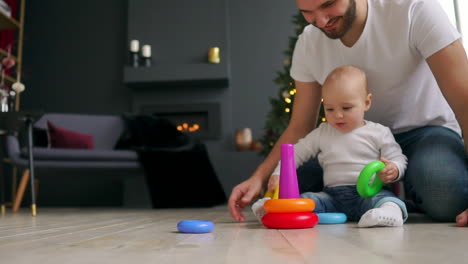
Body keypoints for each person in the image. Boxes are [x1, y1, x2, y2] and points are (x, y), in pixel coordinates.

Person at [228, 0, 468, 226]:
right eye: (307, 12)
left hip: (425, 131)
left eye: (328, 4)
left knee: (445, 196)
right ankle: (388, 198)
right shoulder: (309, 42)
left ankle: (402, 197)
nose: (320, 21)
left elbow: (465, 102)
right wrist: (259, 177)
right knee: (289, 186)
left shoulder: (414, 10)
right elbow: (300, 127)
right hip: (347, 139)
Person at [252, 65, 408, 227]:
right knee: (306, 200)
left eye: (346, 108)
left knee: (386, 200)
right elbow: (295, 153)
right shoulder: (323, 132)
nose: (338, 115)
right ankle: (271, 208)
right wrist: (279, 173)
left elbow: (397, 157)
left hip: (368, 193)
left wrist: (394, 169)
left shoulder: (378, 132)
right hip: (333, 197)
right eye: (329, 109)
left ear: (366, 102)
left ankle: (389, 214)